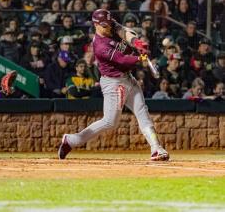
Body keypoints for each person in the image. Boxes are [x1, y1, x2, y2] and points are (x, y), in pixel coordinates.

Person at [58, 9, 169, 161]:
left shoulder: (110, 25)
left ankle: (156, 148)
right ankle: (71, 140)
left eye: (109, 24)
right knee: (110, 122)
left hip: (128, 78)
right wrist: (139, 57)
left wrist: (136, 42)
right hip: (113, 83)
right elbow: (122, 59)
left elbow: (124, 31)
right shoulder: (100, 46)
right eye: (104, 26)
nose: (108, 28)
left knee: (142, 111)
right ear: (96, 24)